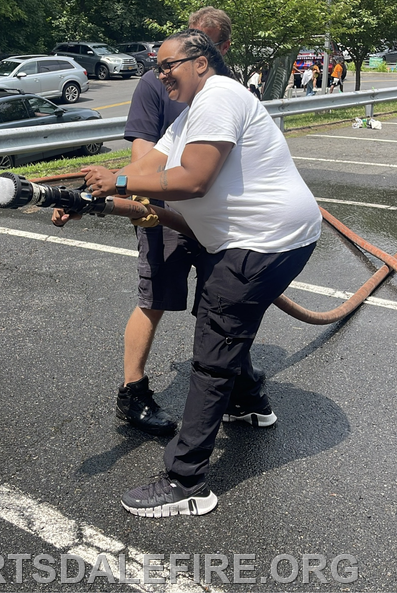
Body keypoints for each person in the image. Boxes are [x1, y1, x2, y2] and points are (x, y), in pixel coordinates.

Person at [82, 29, 322, 517]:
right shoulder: (192, 114)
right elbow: (152, 164)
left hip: (263, 243)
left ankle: (187, 481)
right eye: (156, 66)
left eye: (168, 64)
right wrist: (89, 196)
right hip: (262, 240)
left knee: (213, 352)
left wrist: (121, 181)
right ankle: (250, 404)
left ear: (201, 62)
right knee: (223, 323)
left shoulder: (219, 96)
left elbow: (192, 180)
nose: (160, 73)